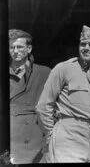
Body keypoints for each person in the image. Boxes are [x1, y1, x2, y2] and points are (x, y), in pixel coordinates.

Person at [36, 25, 90, 163]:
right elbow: (44, 106)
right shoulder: (64, 68)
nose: (86, 47)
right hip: (69, 136)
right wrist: (51, 135)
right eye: (83, 44)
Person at [9, 29, 51, 164]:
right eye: (11, 47)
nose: (15, 51)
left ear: (29, 48)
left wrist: (49, 137)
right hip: (9, 141)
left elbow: (54, 108)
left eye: (19, 47)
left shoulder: (45, 73)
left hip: (35, 142)